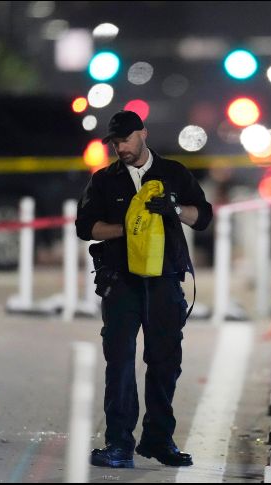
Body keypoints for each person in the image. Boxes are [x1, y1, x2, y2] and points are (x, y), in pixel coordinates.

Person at [75, 110, 213, 468]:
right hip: (121, 281)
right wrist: (129, 226)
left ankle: (158, 439)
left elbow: (204, 217)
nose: (121, 148)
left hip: (165, 280)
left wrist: (175, 209)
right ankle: (119, 443)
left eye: (126, 139)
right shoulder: (104, 181)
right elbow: (85, 227)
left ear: (143, 134)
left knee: (165, 361)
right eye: (115, 142)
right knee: (119, 361)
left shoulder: (173, 173)